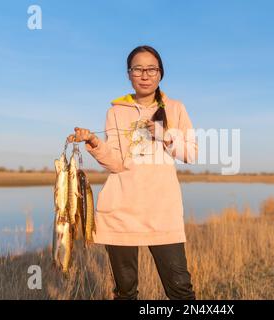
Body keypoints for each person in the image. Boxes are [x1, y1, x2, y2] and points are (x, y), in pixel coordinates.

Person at [67, 45, 197, 300]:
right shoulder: (115, 111)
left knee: (181, 291)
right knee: (125, 292)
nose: (145, 75)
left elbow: (191, 154)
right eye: (138, 69)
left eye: (151, 69)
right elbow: (115, 163)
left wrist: (163, 135)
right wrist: (94, 141)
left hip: (163, 212)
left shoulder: (176, 108)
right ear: (129, 74)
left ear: (160, 74)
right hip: (121, 212)